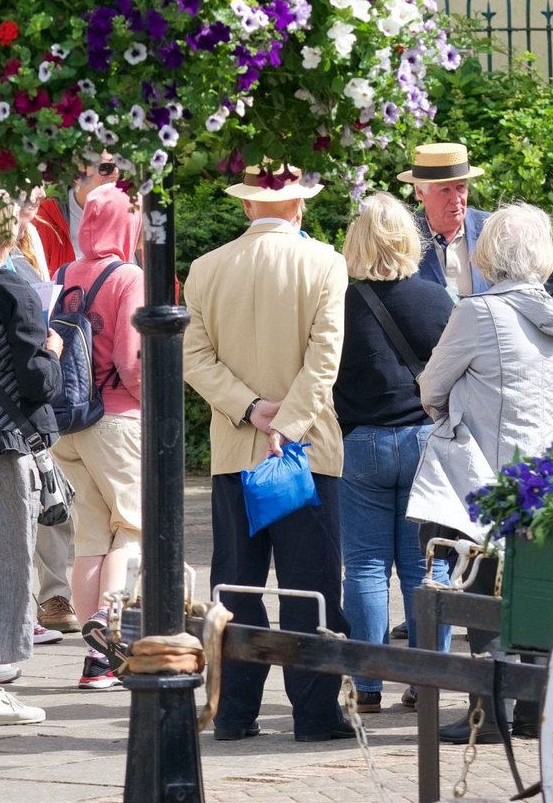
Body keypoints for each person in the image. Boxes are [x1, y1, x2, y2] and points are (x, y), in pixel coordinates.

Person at [183, 165, 352, 743]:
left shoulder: (206, 269)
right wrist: (291, 422)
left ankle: (232, 712)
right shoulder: (326, 263)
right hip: (306, 453)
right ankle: (313, 715)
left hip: (237, 447)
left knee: (235, 587)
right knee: (313, 588)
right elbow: (325, 359)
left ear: (247, 207)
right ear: (299, 206)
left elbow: (194, 358)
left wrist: (250, 408)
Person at [407, 203, 553, 743]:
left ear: (490, 255)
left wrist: (454, 406)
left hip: (486, 467)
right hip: (546, 467)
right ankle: (530, 707)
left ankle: (488, 708)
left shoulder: (477, 312)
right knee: (529, 588)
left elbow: (431, 386)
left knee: (481, 587)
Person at [333, 193, 454, 716]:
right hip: (425, 439)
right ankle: (428, 678)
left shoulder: (338, 303)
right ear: (410, 240)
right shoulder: (434, 299)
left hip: (361, 442)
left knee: (363, 565)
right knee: (426, 565)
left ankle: (368, 684)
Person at [49, 184, 143, 688]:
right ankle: (110, 635)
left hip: (68, 422)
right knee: (132, 526)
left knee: (89, 536)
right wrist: (154, 404)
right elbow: (132, 360)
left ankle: (94, 662)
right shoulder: (128, 275)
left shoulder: (64, 273)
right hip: (117, 418)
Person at [0, 191, 64, 724]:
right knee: (8, 558)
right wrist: (54, 353)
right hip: (2, 443)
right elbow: (36, 382)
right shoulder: (15, 289)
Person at [9, 189, 79, 636]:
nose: (33, 200)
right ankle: (20, 619)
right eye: (22, 195)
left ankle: (53, 599)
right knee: (26, 511)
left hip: (28, 405)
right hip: (19, 404)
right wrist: (50, 352)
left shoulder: (34, 235)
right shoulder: (9, 264)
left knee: (49, 503)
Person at [397, 142, 491, 299]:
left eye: (461, 187)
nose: (455, 199)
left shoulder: (490, 229)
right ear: (420, 192)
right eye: (445, 190)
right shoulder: (404, 237)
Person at [34, 153, 120, 274]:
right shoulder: (44, 221)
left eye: (121, 165)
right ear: (77, 176)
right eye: (106, 168)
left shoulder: (135, 214)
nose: (116, 173)